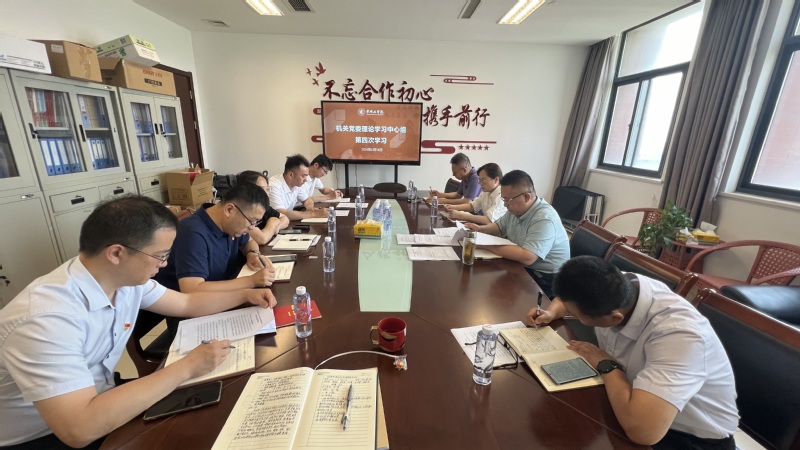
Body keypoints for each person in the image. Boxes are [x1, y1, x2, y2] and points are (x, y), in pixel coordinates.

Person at [0, 196, 277, 449]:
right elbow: (79, 429)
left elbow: (187, 303)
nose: (164, 265)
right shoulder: (46, 318)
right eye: (160, 256)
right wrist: (189, 366)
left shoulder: (122, 279)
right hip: (43, 435)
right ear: (116, 253)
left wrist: (245, 295)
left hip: (101, 396)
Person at [528, 256, 739, 449]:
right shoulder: (619, 285)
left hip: (686, 437)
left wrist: (607, 365)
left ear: (614, 318)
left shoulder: (680, 336)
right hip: (629, 397)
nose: (570, 313)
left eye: (576, 314)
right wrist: (551, 312)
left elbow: (644, 432)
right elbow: (569, 297)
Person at [154, 182, 276, 294]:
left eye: (256, 223)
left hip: (224, 292)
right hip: (193, 305)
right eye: (251, 221)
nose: (252, 228)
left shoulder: (229, 225)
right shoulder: (192, 233)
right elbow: (192, 289)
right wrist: (251, 281)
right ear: (229, 210)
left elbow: (249, 241)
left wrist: (252, 254)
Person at [465, 170, 569, 298]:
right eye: (503, 199)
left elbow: (527, 257)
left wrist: (485, 245)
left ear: (526, 197)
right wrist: (479, 229)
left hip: (545, 277)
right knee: (481, 281)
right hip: (522, 267)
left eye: (508, 200)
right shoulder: (515, 209)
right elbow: (498, 227)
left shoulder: (544, 218)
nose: (505, 205)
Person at [236, 170, 290, 245]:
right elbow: (262, 239)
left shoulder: (263, 207)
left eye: (267, 189)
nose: (266, 193)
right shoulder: (241, 212)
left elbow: (285, 219)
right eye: (262, 189)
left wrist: (276, 228)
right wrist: (272, 222)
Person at [268, 154, 327, 221]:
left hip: (286, 222)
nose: (306, 180)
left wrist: (310, 208)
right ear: (291, 175)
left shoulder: (297, 184)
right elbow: (280, 213)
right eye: (303, 176)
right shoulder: (274, 186)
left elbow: (307, 200)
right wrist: (313, 214)